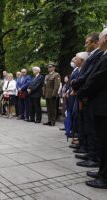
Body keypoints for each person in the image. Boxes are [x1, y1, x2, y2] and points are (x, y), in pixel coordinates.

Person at [78, 28, 107, 189]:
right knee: (102, 141)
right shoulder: (103, 55)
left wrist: (82, 92)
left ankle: (105, 176)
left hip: (102, 105)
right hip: (99, 103)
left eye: (101, 38)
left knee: (104, 141)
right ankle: (102, 171)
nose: (99, 41)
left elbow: (97, 78)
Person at [72, 33, 103, 167]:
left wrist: (79, 88)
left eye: (88, 42)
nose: (86, 45)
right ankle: (90, 153)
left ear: (96, 42)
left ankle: (94, 156)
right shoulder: (96, 55)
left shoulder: (98, 55)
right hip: (86, 95)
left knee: (93, 129)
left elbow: (91, 77)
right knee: (87, 125)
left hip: (91, 96)